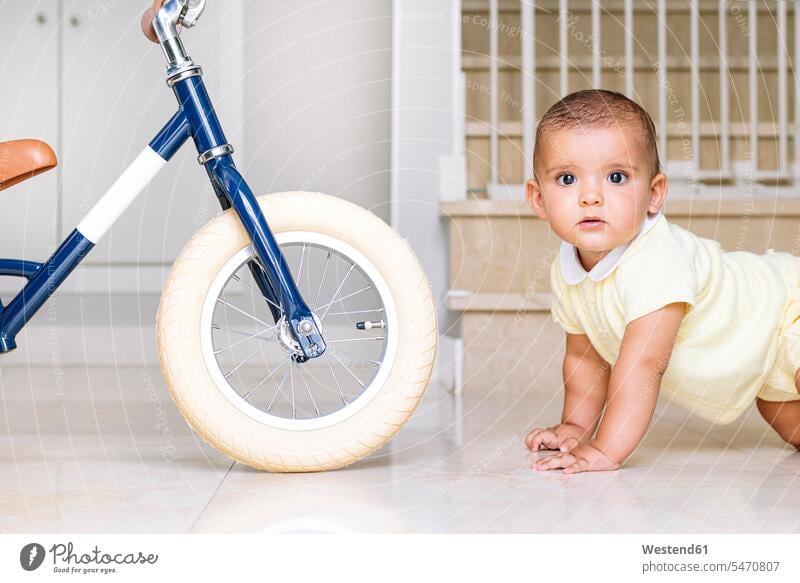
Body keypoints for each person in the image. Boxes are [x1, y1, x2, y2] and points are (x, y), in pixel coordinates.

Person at [523, 89, 800, 474]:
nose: (591, 197)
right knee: (793, 429)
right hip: (762, 354)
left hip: (787, 311)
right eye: (567, 178)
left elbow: (643, 363)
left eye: (616, 177)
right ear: (538, 199)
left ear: (654, 193)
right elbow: (584, 360)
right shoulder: (568, 271)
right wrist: (576, 428)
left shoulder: (657, 260)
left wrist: (605, 448)